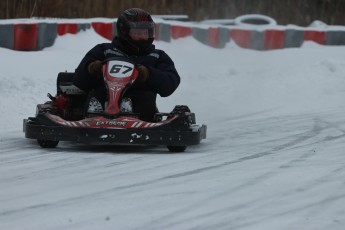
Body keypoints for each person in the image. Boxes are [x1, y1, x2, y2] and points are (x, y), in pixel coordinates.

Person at [73, 8, 180, 121]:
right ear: (124, 32)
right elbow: (79, 81)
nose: (144, 37)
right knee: (95, 94)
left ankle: (128, 113)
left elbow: (170, 83)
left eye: (146, 32)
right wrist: (91, 68)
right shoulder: (104, 50)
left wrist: (148, 74)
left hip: (140, 106)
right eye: (138, 33)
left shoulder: (157, 56)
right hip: (104, 96)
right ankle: (95, 115)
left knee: (146, 98)